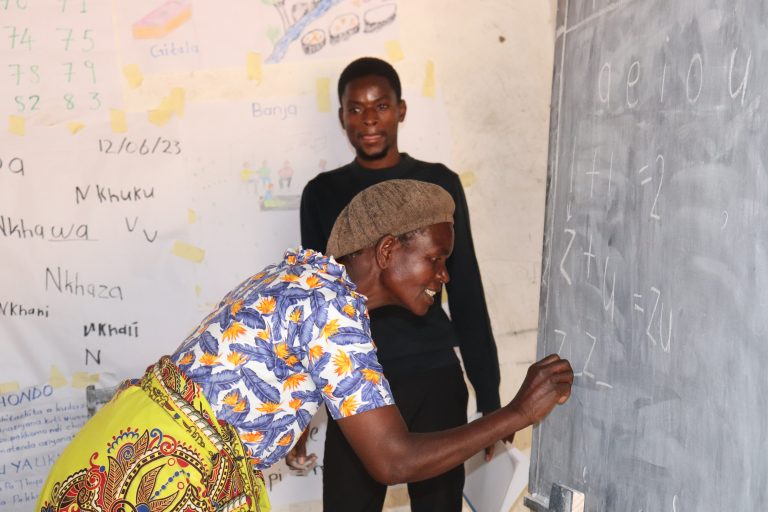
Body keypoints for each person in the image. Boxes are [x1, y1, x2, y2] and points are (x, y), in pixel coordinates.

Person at [35, 180, 573, 512]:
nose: (443, 275)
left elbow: (251, 367)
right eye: (436, 258)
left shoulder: (302, 278)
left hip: (120, 449)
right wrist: (519, 413)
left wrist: (285, 418)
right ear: (388, 250)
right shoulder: (333, 309)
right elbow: (393, 460)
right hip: (165, 477)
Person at [297, 57, 501, 511]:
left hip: (433, 377)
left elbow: (465, 289)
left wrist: (489, 394)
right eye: (355, 109)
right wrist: (301, 408)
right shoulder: (322, 193)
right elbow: (315, 306)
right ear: (341, 118)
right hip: (356, 383)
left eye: (381, 105)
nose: (369, 119)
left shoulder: (437, 184)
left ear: (401, 110)